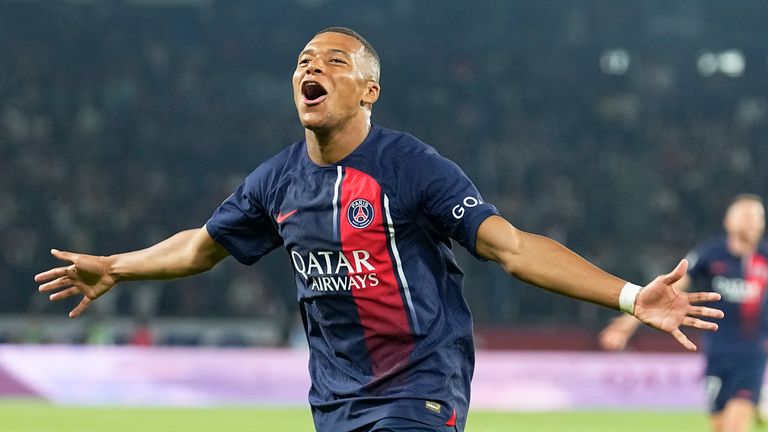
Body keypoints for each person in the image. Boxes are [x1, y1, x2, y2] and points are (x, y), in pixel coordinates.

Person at [35, 27, 723, 432]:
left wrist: (633, 298)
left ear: (368, 92)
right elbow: (200, 246)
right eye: (304, 60)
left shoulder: (410, 167)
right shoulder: (276, 182)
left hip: (418, 392)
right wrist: (116, 266)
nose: (313, 67)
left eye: (335, 61)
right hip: (334, 405)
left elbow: (511, 248)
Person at [599, 194, 767, 432]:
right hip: (716, 354)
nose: (753, 222)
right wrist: (628, 322)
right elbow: (666, 292)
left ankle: (756, 396)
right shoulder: (710, 254)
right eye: (746, 215)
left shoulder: (765, 258)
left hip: (752, 354)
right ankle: (759, 401)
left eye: (758, 216)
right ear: (729, 221)